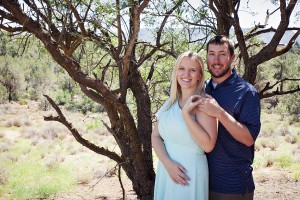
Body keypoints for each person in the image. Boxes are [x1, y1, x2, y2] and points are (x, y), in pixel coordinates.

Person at [197, 35, 261, 200]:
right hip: (200, 182)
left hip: (232, 186)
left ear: (232, 57)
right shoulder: (202, 90)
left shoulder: (247, 92)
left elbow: (248, 139)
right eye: (211, 53)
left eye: (222, 54)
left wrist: (219, 113)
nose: (216, 60)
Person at [151, 51, 218, 200]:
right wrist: (168, 164)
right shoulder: (169, 103)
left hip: (189, 173)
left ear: (199, 75)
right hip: (166, 171)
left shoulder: (204, 103)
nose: (186, 74)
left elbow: (208, 146)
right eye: (182, 68)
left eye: (192, 70)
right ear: (176, 72)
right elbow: (155, 136)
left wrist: (186, 115)